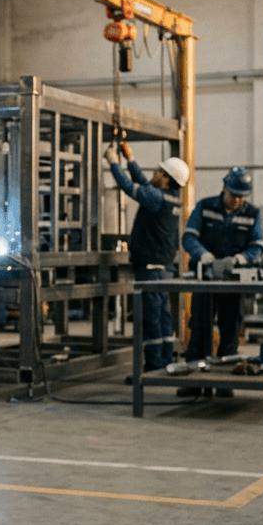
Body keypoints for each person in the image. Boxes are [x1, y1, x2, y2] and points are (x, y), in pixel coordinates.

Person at [178, 167, 263, 397]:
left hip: (234, 284)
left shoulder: (252, 214)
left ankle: (225, 382)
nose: (236, 200)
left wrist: (240, 259)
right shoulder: (205, 207)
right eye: (233, 194)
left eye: (241, 196)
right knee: (199, 328)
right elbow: (188, 236)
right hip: (205, 281)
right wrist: (202, 254)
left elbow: (258, 247)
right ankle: (193, 382)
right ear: (223, 188)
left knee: (230, 330)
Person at [106, 141, 189, 373]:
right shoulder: (170, 197)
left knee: (151, 320)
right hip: (162, 268)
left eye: (159, 172)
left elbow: (128, 186)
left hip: (150, 270)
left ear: (167, 179)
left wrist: (113, 161)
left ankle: (154, 365)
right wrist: (130, 159)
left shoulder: (156, 198)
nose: (155, 173)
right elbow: (144, 183)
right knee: (162, 317)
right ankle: (164, 360)